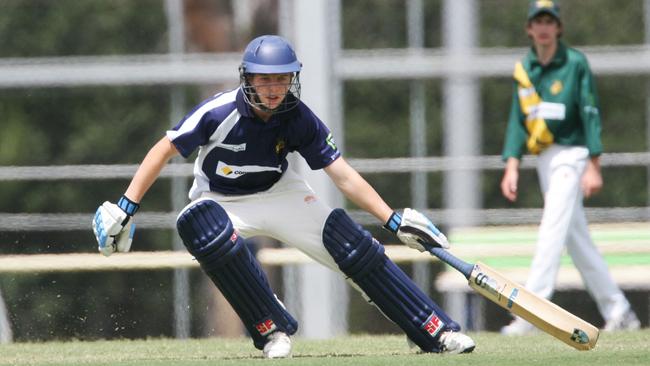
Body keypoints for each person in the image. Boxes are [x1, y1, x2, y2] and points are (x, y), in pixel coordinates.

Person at [92, 35, 475, 358]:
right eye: (266, 80)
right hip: (221, 200)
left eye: (283, 79)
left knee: (355, 249)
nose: (275, 89)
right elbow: (163, 149)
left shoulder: (298, 117)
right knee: (200, 227)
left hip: (282, 194)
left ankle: (433, 330)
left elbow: (341, 174)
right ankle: (271, 328)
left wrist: (391, 218)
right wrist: (127, 206)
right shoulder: (218, 111)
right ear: (248, 79)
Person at [499, 0, 640, 335]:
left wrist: (594, 164)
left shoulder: (575, 63)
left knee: (551, 229)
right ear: (529, 28)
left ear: (559, 27)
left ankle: (531, 313)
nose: (544, 27)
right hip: (544, 160)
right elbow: (518, 122)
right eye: (538, 21)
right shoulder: (526, 69)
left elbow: (590, 112)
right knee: (577, 241)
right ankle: (620, 312)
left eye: (550, 21)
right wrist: (512, 166)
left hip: (572, 157)